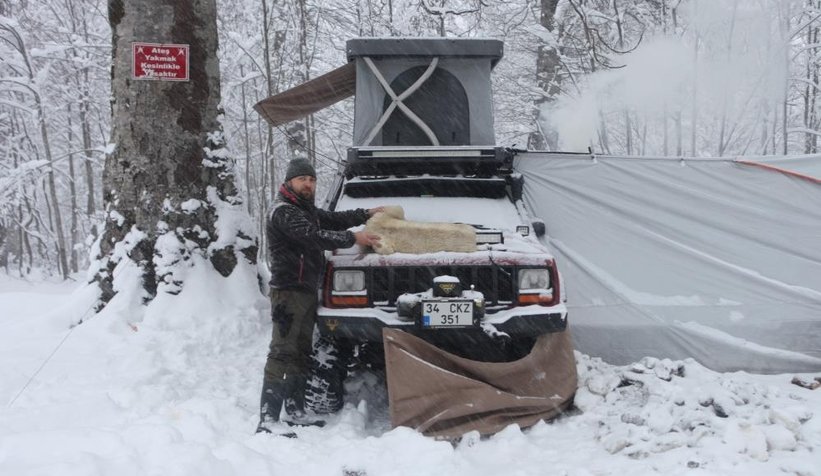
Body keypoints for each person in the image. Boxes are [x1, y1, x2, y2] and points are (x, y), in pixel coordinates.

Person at [257, 157, 382, 435]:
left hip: (305, 291)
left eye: (312, 180)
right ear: (289, 181)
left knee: (301, 352)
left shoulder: (305, 210)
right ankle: (267, 419)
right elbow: (314, 236)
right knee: (282, 351)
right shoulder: (283, 211)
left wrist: (366, 214)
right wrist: (354, 238)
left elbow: (335, 219)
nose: (308, 184)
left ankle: (295, 411)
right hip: (287, 291)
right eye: (302, 179)